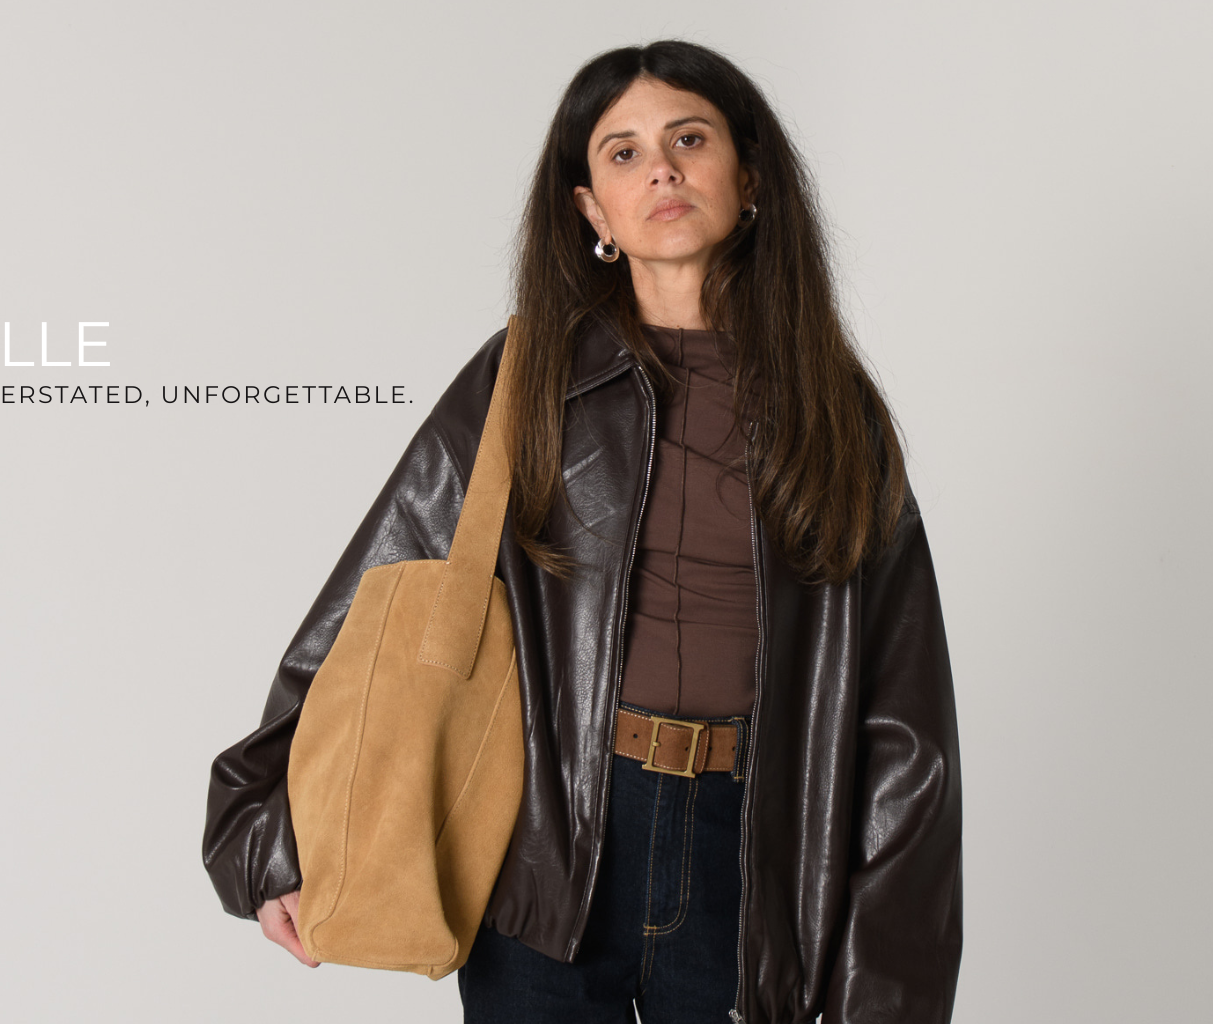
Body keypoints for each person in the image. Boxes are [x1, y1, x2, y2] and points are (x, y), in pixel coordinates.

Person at [202, 39, 962, 1024]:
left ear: (750, 179)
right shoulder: (524, 379)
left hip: (751, 865)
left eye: (690, 139)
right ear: (593, 211)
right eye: (623, 153)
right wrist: (268, 834)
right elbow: (376, 598)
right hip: (546, 852)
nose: (661, 170)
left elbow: (904, 719)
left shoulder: (832, 408)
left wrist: (888, 991)